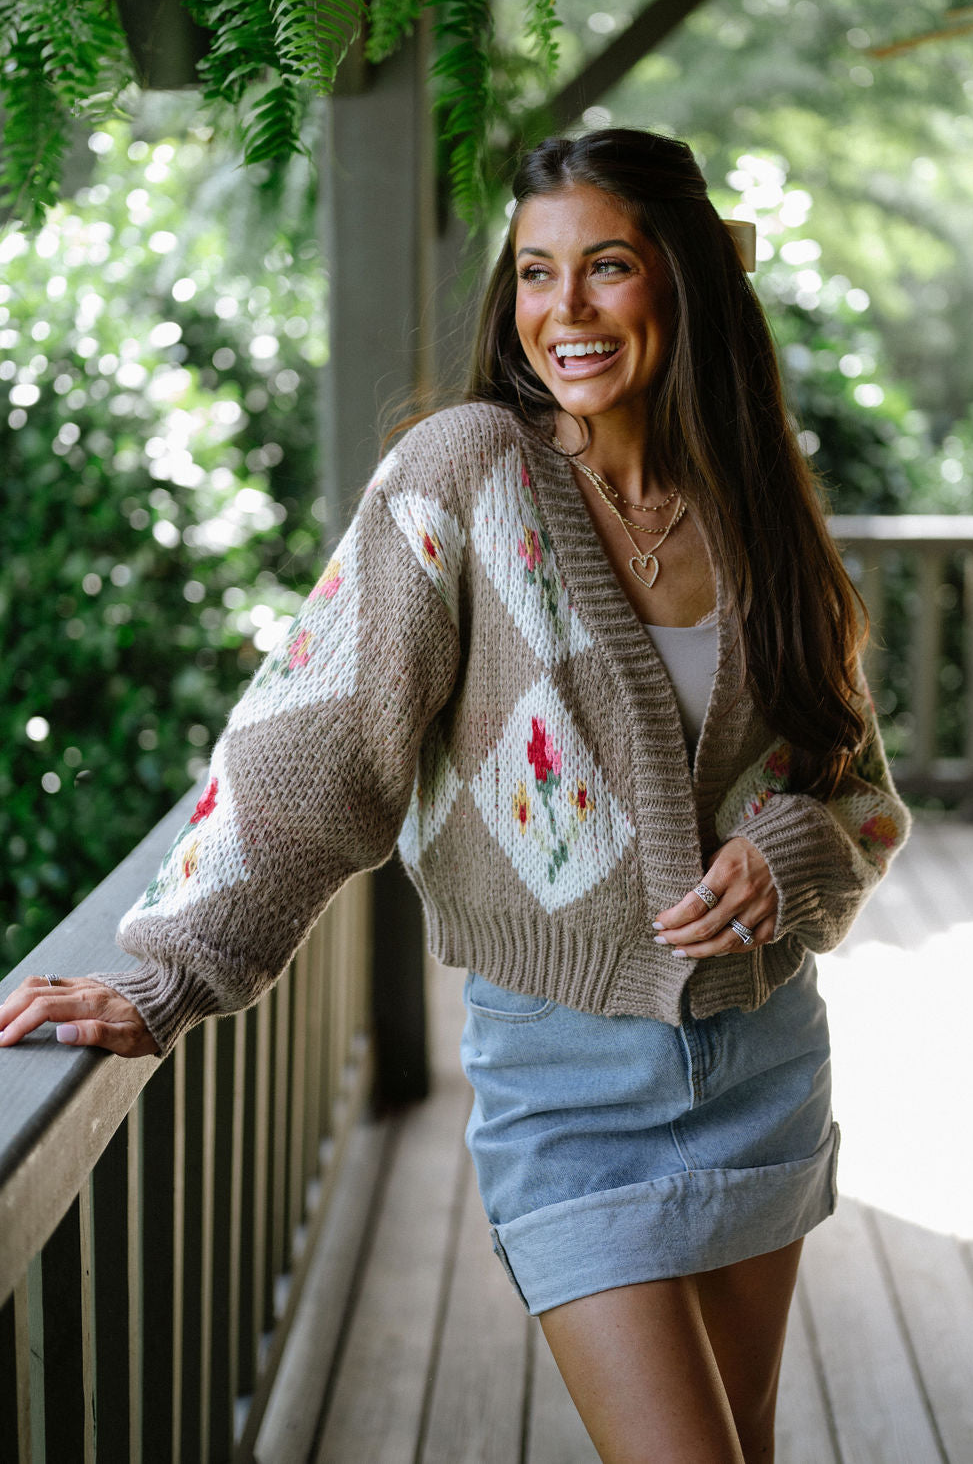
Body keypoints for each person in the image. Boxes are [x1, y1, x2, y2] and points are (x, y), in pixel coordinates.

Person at [0, 128, 909, 1462]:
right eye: (537, 274)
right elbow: (313, 745)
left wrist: (791, 852)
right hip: (565, 1082)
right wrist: (170, 971)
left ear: (687, 282)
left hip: (762, 1063)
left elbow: (860, 793)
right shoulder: (465, 475)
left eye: (607, 267)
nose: (565, 312)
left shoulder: (755, 502)